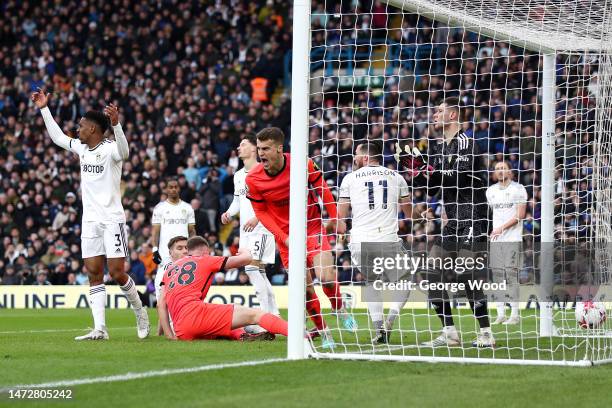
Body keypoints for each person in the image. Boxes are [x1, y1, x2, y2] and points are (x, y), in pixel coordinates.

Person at [31, 89, 149, 341]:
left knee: (117, 272)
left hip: (112, 219)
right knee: (94, 272)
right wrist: (44, 108)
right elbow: (58, 138)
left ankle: (140, 311)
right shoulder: (82, 148)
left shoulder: (110, 150)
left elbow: (125, 153)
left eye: (81, 125)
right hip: (90, 220)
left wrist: (117, 125)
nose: (78, 129)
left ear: (93, 130)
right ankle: (100, 328)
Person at [245, 127, 356, 349]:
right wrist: (283, 238)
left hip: (312, 227)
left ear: (279, 148)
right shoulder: (253, 179)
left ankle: (339, 307)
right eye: (259, 149)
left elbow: (322, 188)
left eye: (266, 149)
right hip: (285, 239)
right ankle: (324, 333)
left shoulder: (301, 163)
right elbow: (261, 213)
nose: (261, 154)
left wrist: (335, 217)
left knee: (325, 277)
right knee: (304, 289)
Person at [396, 96, 493, 347]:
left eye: (439, 111)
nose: (435, 115)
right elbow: (432, 189)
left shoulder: (467, 143)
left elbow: (458, 177)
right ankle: (449, 332)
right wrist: (415, 173)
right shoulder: (438, 148)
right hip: (452, 220)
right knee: (430, 273)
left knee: (466, 276)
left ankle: (485, 333)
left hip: (474, 215)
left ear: (452, 116)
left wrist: (430, 171)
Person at [338, 141, 413, 344]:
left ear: (364, 158)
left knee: (371, 281)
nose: (353, 158)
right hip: (387, 238)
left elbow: (340, 217)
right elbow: (408, 213)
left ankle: (379, 329)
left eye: (355, 154)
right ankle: (390, 319)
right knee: (405, 279)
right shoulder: (396, 177)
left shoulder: (349, 179)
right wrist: (422, 216)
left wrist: (341, 234)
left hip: (360, 240)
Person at [157, 236, 288, 341]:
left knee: (220, 324)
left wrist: (169, 335)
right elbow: (246, 259)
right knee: (256, 314)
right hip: (195, 314)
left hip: (181, 330)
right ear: (205, 252)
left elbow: (161, 304)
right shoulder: (205, 259)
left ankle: (241, 336)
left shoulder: (169, 269)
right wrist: (244, 250)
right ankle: (297, 333)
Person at [221, 135, 279, 334]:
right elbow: (238, 202)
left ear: (254, 150)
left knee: (253, 270)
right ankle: (274, 316)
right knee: (258, 271)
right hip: (245, 231)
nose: (239, 147)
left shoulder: (264, 172)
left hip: (262, 226)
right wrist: (228, 213)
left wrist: (257, 218)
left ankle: (264, 319)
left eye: (243, 144)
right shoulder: (239, 175)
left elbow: (271, 200)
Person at [486, 160, 527, 325]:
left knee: (511, 275)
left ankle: (515, 315)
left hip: (512, 238)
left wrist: (501, 228)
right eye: (497, 169)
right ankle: (501, 313)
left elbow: (520, 215)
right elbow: (493, 214)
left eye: (503, 168)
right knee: (497, 277)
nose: (500, 171)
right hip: (496, 240)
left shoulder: (518, 189)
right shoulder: (490, 191)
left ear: (510, 171)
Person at [151, 177, 196, 295]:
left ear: (179, 188)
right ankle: (162, 308)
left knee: (182, 282)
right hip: (165, 252)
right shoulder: (159, 208)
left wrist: (193, 248)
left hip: (183, 251)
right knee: (161, 283)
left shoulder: (187, 208)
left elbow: (192, 231)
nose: (173, 189)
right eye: (170, 187)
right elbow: (155, 231)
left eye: (176, 187)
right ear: (166, 189)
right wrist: (154, 249)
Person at [156, 235, 188, 337]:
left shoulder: (191, 266)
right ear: (170, 253)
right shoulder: (165, 272)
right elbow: (162, 304)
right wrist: (169, 335)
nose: (185, 251)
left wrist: (158, 333)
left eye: (187, 248)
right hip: (178, 325)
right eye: (180, 248)